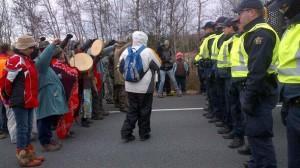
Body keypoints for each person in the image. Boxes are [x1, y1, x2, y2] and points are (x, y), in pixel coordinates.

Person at [0, 35, 59, 167]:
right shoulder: (16, 60)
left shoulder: (25, 59)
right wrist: (9, 97)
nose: (33, 49)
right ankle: (24, 157)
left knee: (27, 129)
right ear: (24, 48)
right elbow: (6, 82)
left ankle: (28, 154)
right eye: (31, 47)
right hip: (20, 100)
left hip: (28, 99)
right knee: (22, 129)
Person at [234, 0, 280, 167]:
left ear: (252, 12)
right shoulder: (253, 32)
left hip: (260, 91)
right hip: (257, 89)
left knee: (260, 135)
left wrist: (249, 99)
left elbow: (257, 72)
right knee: (254, 133)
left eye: (240, 12)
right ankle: (257, 163)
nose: (238, 17)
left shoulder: (261, 34)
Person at [119, 31, 161, 142]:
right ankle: (144, 133)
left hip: (129, 86)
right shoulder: (148, 51)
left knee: (132, 109)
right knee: (145, 110)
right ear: (144, 40)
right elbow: (158, 65)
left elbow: (120, 68)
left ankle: (126, 133)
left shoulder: (125, 52)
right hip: (145, 87)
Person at [274, 0, 300, 167]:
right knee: (294, 153)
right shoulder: (289, 29)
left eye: (284, 6)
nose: (282, 10)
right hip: (289, 99)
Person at [35, 37, 68, 152]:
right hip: (44, 96)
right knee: (44, 118)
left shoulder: (45, 63)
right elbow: (44, 57)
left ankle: (48, 139)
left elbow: (56, 51)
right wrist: (52, 45)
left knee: (47, 118)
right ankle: (45, 142)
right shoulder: (40, 63)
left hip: (48, 96)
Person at [215, 18, 238, 136]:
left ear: (231, 27)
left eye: (225, 27)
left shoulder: (233, 40)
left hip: (231, 75)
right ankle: (229, 125)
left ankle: (234, 129)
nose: (222, 29)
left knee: (232, 104)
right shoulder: (226, 40)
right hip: (225, 74)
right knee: (228, 102)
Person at [194, 21, 217, 118]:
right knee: (210, 91)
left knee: (213, 92)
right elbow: (201, 53)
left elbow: (212, 55)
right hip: (206, 66)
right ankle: (212, 110)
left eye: (206, 29)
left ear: (211, 28)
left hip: (210, 67)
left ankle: (214, 112)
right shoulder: (207, 39)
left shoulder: (212, 39)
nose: (205, 31)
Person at [0, 43, 13, 140]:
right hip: (3, 87)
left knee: (1, 110)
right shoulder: (7, 60)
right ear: (7, 50)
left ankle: (3, 128)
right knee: (5, 110)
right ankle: (4, 129)